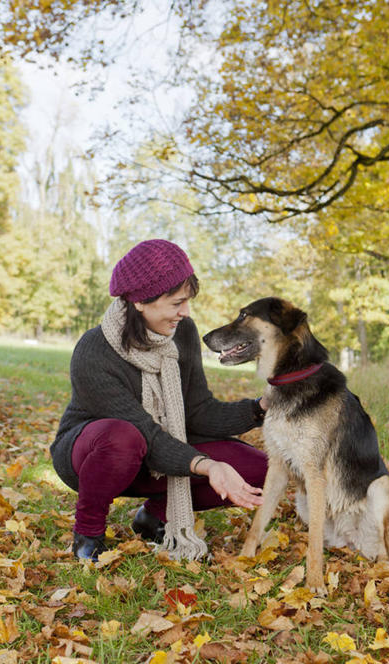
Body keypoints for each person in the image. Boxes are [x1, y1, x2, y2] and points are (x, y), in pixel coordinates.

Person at [50, 239, 268, 561]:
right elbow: (146, 434)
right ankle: (88, 535)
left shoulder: (182, 333)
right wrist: (207, 466)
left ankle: (153, 517)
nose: (186, 312)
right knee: (124, 438)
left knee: (259, 468)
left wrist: (259, 408)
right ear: (140, 301)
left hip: (157, 449)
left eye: (188, 301)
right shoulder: (95, 350)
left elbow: (197, 412)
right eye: (176, 303)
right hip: (96, 455)